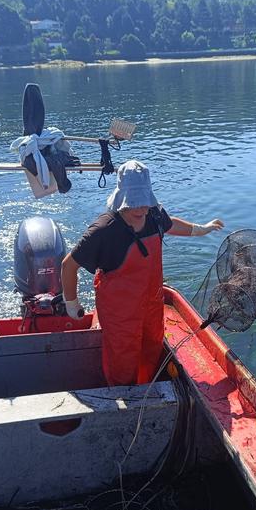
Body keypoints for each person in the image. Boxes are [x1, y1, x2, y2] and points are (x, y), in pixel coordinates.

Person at [61, 160, 224, 387]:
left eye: (144, 203)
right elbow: (69, 266)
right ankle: (123, 398)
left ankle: (146, 388)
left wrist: (200, 229)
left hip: (151, 303)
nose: (140, 209)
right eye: (134, 203)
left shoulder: (154, 215)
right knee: (122, 360)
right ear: (121, 198)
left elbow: (170, 224)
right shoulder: (103, 230)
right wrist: (72, 304)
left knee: (152, 347)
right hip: (120, 313)